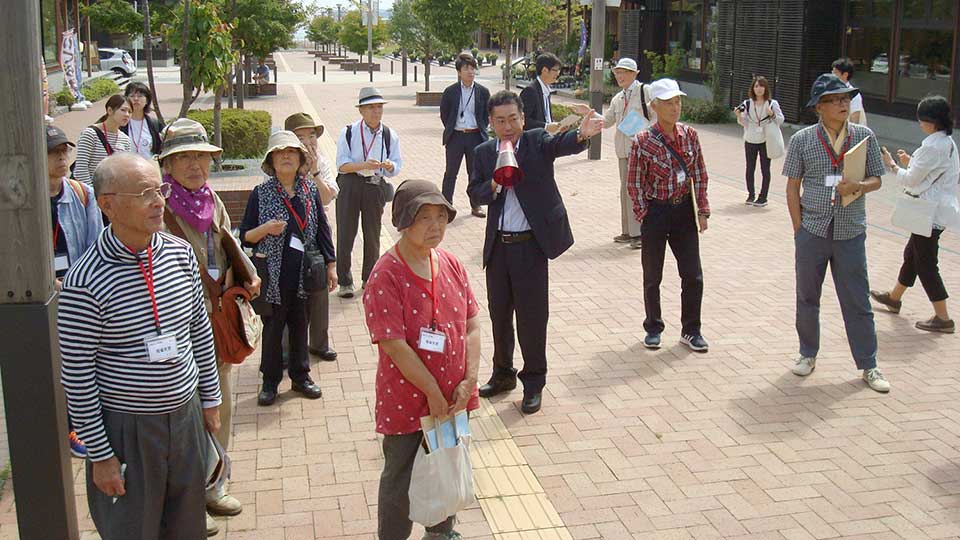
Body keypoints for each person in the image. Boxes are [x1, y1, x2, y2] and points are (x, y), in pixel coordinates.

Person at [58, 152, 223, 539]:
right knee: (134, 528)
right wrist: (100, 456)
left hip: (184, 416)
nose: (158, 201)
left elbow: (199, 330)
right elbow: (77, 377)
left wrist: (211, 399)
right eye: (144, 193)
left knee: (187, 524)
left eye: (159, 190)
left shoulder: (179, 254)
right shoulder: (85, 281)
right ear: (107, 205)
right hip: (128, 429)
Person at [466, 91, 604, 414]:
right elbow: (474, 190)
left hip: (530, 246)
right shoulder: (484, 153)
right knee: (499, 316)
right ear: (491, 123)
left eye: (513, 119)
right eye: (500, 121)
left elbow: (562, 144)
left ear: (523, 119)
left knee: (532, 318)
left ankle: (533, 383)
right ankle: (502, 374)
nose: (507, 126)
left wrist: (583, 133)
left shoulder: (536, 142)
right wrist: (494, 187)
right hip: (499, 248)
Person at [158, 118, 261, 534]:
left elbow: (226, 247)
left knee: (220, 405)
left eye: (200, 156)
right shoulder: (158, 205)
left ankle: (215, 485)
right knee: (185, 414)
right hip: (176, 325)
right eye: (183, 157)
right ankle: (187, 501)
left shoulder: (211, 200)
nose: (194, 165)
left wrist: (242, 281)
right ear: (167, 165)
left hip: (216, 319)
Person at [362, 179, 480, 540]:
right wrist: (431, 391)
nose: (435, 226)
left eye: (441, 216)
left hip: (454, 396)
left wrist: (469, 380)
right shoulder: (386, 275)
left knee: (444, 463)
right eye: (424, 217)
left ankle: (441, 531)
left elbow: (472, 324)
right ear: (402, 220)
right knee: (400, 477)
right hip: (409, 399)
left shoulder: (451, 263)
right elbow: (393, 345)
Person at [782, 73, 889, 392]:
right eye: (835, 100)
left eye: (846, 99)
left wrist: (859, 186)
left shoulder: (863, 136)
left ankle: (869, 364)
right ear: (819, 107)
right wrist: (798, 228)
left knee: (857, 299)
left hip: (850, 231)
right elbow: (791, 186)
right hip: (813, 229)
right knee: (807, 296)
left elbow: (878, 179)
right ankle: (807, 353)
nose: (843, 104)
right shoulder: (802, 140)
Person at [240, 131, 337, 406]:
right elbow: (244, 235)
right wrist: (266, 229)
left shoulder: (309, 190)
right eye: (280, 152)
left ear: (300, 159)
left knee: (300, 325)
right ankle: (270, 381)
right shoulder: (261, 193)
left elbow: (322, 230)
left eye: (291, 152)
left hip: (304, 271)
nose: (286, 157)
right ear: (271, 160)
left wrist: (331, 265)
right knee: (273, 329)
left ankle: (301, 376)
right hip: (273, 273)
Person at [627, 78, 711, 353]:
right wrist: (644, 214)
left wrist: (702, 210)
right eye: (668, 103)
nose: (675, 108)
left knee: (693, 275)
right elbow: (634, 183)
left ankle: (691, 330)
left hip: (683, 210)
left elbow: (699, 173)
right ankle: (653, 327)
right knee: (653, 275)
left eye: (677, 101)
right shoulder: (642, 141)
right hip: (656, 212)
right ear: (654, 106)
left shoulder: (689, 135)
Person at [871, 95, 959, 333]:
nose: (919, 122)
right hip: (937, 211)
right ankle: (894, 297)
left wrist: (892, 165)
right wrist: (912, 162)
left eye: (922, 118)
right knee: (913, 254)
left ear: (931, 121)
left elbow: (911, 180)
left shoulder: (931, 146)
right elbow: (933, 173)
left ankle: (943, 317)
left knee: (925, 262)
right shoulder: (947, 142)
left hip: (928, 213)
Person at [47, 124, 103, 459]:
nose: (62, 158)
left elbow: (96, 245)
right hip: (42, 292)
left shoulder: (82, 194)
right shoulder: (22, 199)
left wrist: (81, 285)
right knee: (53, 363)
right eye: (54, 152)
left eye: (64, 151)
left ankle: (78, 426)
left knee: (81, 361)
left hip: (77, 292)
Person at [334, 87, 403, 298]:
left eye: (379, 107)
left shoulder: (390, 134)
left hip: (374, 185)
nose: (376, 111)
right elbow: (341, 165)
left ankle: (369, 278)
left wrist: (390, 166)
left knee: (372, 235)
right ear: (361, 110)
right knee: (346, 233)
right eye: (371, 107)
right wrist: (362, 165)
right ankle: (344, 281)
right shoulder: (349, 132)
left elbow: (398, 164)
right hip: (350, 184)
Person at [285, 112, 339, 361]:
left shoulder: (323, 163)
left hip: (317, 229)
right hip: (287, 234)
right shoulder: (281, 164)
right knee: (287, 290)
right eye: (301, 137)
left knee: (319, 288)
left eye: (312, 136)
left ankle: (319, 343)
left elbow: (327, 198)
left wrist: (315, 172)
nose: (309, 142)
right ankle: (286, 349)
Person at [602, 57, 653, 249]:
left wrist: (644, 129)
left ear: (634, 73)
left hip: (640, 150)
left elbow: (657, 113)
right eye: (617, 72)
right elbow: (606, 122)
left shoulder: (645, 92)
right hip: (623, 151)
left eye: (623, 72)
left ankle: (638, 233)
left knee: (636, 190)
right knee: (625, 190)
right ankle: (628, 231)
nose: (619, 76)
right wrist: (587, 115)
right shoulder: (618, 98)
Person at [440, 53, 491, 218]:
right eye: (466, 68)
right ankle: (446, 206)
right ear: (459, 72)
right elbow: (445, 114)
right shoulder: (450, 92)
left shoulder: (483, 92)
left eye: (473, 68)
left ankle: (476, 206)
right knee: (450, 173)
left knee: (474, 173)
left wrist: (481, 127)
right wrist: (453, 127)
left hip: (475, 136)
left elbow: (486, 114)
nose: (470, 72)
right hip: (455, 136)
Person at [735, 76, 784, 207]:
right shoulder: (747, 103)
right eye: (756, 86)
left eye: (761, 86)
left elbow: (780, 120)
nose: (759, 89)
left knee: (765, 168)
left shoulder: (772, 103)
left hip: (765, 140)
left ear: (766, 88)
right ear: (752, 88)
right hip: (750, 139)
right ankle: (751, 194)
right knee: (750, 168)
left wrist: (771, 114)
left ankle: (763, 197)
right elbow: (744, 122)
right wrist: (739, 116)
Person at [74, 94, 132, 185]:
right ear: (110, 110)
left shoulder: (125, 140)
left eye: (130, 111)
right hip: (91, 193)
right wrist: (92, 194)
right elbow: (80, 169)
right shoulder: (90, 134)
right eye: (123, 110)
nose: (127, 115)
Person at [519, 53, 562, 132]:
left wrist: (556, 126)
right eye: (555, 70)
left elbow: (546, 117)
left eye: (559, 70)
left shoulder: (546, 91)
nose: (558, 73)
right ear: (544, 70)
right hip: (535, 141)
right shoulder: (530, 91)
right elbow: (523, 121)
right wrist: (546, 126)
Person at [122, 82, 164, 160]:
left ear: (147, 100)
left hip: (149, 168)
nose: (136, 99)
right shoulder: (120, 123)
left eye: (140, 96)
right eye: (132, 96)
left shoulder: (154, 124)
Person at [832, 58, 867, 125]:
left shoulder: (854, 95)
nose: (832, 75)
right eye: (832, 72)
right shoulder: (830, 91)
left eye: (835, 73)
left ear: (845, 75)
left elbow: (854, 120)